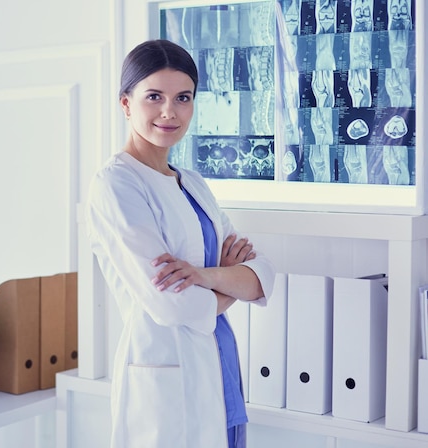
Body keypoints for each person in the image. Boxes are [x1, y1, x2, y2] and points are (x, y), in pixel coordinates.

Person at [85, 39, 276, 448]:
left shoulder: (194, 182)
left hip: (218, 364)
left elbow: (262, 276)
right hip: (166, 380)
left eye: (182, 98)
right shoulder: (116, 184)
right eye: (154, 96)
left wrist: (202, 276)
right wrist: (228, 287)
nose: (169, 112)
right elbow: (172, 303)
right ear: (125, 103)